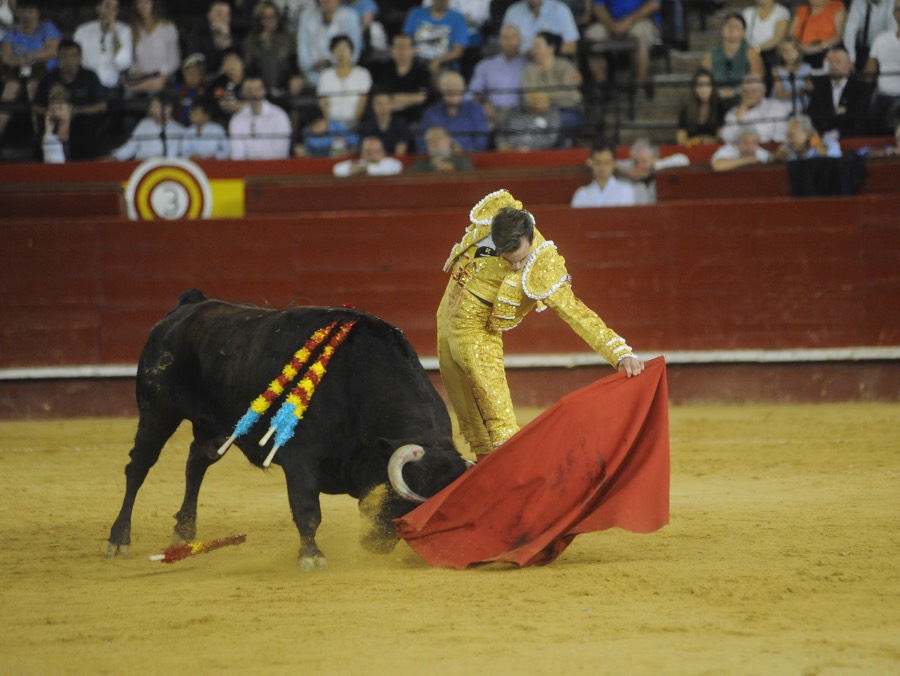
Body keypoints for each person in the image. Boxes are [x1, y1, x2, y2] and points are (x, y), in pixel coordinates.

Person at [437, 188, 643, 460]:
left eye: (521, 258)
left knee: (501, 428)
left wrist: (620, 353)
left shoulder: (542, 264)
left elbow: (576, 313)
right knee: (470, 420)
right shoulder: (490, 222)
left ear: (530, 238)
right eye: (509, 260)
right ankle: (488, 486)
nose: (515, 266)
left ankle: (514, 484)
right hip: (445, 325)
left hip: (478, 337)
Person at [31, 38, 108, 160]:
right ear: (58, 57)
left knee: (87, 132)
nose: (69, 60)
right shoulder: (49, 78)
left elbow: (101, 105)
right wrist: (53, 114)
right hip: (54, 122)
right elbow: (36, 106)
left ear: (80, 57)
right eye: (64, 56)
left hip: (82, 122)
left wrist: (76, 111)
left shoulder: (90, 77)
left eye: (73, 56)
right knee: (43, 134)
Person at [0, 0, 60, 138]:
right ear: (18, 12)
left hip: (43, 71)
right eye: (23, 11)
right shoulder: (12, 32)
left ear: (37, 12)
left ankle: (41, 135)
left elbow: (53, 50)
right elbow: (7, 57)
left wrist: (28, 56)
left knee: (33, 86)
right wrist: (20, 61)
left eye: (30, 11)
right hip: (18, 71)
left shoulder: (47, 27)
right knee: (10, 88)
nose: (27, 15)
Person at [585, 0, 661, 94]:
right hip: (610, 21)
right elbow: (598, 7)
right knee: (592, 36)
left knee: (640, 35)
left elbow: (654, 4)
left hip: (642, 20)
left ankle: (639, 86)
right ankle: (602, 86)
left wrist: (628, 21)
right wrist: (612, 25)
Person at [523, 30, 583, 145]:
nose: (533, 50)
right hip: (538, 113)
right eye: (533, 47)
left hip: (567, 111)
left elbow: (573, 96)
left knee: (556, 123)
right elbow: (527, 97)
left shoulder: (565, 65)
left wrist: (543, 97)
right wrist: (542, 99)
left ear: (551, 48)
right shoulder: (530, 70)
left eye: (537, 46)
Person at [701, 12, 765, 110]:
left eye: (736, 27)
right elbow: (703, 80)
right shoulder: (711, 55)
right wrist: (718, 92)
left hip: (744, 100)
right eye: (728, 25)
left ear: (744, 32)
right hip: (717, 100)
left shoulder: (751, 53)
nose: (731, 29)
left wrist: (737, 91)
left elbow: (757, 80)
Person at [242, 0, 304, 100]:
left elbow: (294, 62)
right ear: (260, 20)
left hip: (285, 84)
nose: (270, 21)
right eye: (265, 17)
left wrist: (296, 77)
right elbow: (250, 67)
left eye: (273, 17)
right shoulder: (251, 41)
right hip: (261, 86)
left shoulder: (288, 38)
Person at [468, 23, 526, 130]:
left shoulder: (529, 66)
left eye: (513, 37)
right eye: (505, 38)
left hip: (521, 115)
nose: (509, 42)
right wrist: (484, 103)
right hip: (491, 115)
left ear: (520, 40)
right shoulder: (485, 65)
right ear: (499, 40)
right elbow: (474, 92)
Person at [369, 32, 432, 126]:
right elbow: (379, 97)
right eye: (398, 47)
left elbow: (420, 97)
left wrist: (393, 100)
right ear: (391, 50)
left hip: (413, 119)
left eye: (405, 47)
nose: (401, 51)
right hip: (387, 119)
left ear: (413, 50)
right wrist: (409, 99)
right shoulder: (383, 70)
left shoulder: (422, 71)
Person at [418, 69, 489, 152]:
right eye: (447, 87)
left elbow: (481, 142)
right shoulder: (430, 113)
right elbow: (421, 144)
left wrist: (462, 151)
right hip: (437, 160)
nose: (452, 90)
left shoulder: (475, 109)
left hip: (470, 159)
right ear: (441, 91)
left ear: (463, 89)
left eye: (456, 86)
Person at [806, 47, 871, 136]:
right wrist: (836, 112)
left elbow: (859, 114)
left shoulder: (860, 86)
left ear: (849, 65)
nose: (834, 66)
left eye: (837, 62)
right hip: (823, 135)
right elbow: (813, 114)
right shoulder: (819, 85)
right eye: (831, 62)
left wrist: (831, 114)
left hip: (851, 135)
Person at [74, 0, 132, 96]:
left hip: (110, 85)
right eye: (107, 6)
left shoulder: (124, 31)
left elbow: (123, 64)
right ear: (98, 8)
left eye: (115, 8)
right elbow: (75, 59)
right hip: (85, 84)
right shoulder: (82, 30)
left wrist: (114, 34)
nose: (111, 11)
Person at [296, 0, 361, 87]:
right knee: (296, 84)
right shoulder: (307, 16)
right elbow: (303, 52)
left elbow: (354, 53)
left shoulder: (350, 16)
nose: (327, 1)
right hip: (313, 75)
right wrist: (311, 67)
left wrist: (330, 62)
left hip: (342, 74)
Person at [124, 0, 180, 96]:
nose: (142, 6)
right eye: (139, 3)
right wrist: (135, 70)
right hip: (141, 79)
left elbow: (175, 61)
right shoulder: (133, 30)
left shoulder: (168, 28)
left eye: (146, 2)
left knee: (157, 86)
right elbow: (132, 60)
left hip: (163, 79)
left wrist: (163, 76)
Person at [228, 74, 292, 159]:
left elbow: (281, 152)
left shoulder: (279, 116)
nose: (254, 94)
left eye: (257, 89)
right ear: (243, 93)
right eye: (249, 90)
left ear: (264, 91)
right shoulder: (237, 120)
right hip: (246, 170)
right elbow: (237, 156)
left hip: (273, 169)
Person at [316, 34, 371, 131]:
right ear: (332, 53)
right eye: (337, 49)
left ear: (351, 51)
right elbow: (323, 103)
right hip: (332, 125)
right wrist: (330, 125)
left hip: (356, 124)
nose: (341, 53)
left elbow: (363, 102)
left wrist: (354, 123)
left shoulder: (362, 74)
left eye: (345, 48)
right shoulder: (325, 75)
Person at [402, 0, 468, 81]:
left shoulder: (458, 18)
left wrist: (438, 60)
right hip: (416, 60)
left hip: (444, 63)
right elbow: (405, 41)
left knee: (437, 71)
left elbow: (457, 51)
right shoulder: (416, 13)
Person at [109, 91, 185, 159]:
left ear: (168, 108)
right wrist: (113, 158)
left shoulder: (179, 130)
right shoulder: (144, 124)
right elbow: (129, 148)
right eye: (152, 105)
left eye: (155, 106)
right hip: (141, 169)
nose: (151, 109)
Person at [720, 72, 791, 143]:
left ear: (763, 91)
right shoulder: (733, 112)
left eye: (754, 91)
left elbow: (780, 138)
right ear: (741, 93)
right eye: (745, 92)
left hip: (768, 150)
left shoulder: (777, 108)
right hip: (739, 150)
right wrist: (739, 115)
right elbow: (726, 137)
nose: (750, 95)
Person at [616, 137, 689, 204]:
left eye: (643, 161)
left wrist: (652, 170)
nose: (639, 165)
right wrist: (627, 171)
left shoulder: (661, 165)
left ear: (655, 158)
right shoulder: (631, 166)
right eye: (636, 162)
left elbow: (684, 160)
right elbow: (613, 164)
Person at [864, 3, 900, 133]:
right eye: (898, 9)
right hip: (880, 93)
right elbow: (869, 71)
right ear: (894, 13)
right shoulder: (881, 39)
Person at [183, 0, 243, 75]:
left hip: (229, 79)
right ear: (209, 16)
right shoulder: (198, 35)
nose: (224, 19)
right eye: (219, 14)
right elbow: (196, 62)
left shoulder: (235, 37)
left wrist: (226, 40)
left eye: (227, 15)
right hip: (206, 78)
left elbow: (238, 64)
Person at [501, 0, 580, 56]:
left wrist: (541, 52)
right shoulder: (513, 11)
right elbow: (504, 42)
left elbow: (572, 46)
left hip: (552, 64)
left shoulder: (560, 9)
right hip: (519, 64)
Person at [571, 141, 636, 206]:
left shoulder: (625, 190)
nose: (602, 167)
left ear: (614, 163)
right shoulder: (582, 193)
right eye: (597, 162)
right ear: (591, 163)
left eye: (606, 162)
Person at [495, 88, 561, 150]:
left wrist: (524, 148)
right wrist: (502, 145)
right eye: (534, 99)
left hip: (534, 153)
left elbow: (549, 139)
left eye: (541, 99)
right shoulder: (514, 113)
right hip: (509, 152)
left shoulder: (552, 114)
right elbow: (501, 133)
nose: (538, 102)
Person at [790, 0, 847, 70]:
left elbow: (839, 35)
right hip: (800, 52)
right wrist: (799, 46)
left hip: (824, 52)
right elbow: (791, 34)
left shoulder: (836, 7)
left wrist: (818, 47)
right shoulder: (802, 10)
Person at [844, 0, 898, 72]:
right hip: (862, 49)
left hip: (884, 49)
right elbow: (850, 30)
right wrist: (851, 59)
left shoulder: (892, 3)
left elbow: (892, 32)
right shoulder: (858, 2)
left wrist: (875, 56)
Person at [741, 0, 790, 79]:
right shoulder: (748, 12)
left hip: (771, 53)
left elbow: (778, 38)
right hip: (749, 51)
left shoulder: (781, 12)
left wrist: (757, 49)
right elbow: (741, 33)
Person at [676, 67, 725, 146]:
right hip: (691, 150)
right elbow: (681, 139)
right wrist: (697, 141)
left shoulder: (720, 106)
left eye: (708, 85)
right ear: (694, 88)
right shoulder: (686, 108)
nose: (704, 90)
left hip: (714, 150)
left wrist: (700, 140)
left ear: (713, 87)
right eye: (700, 85)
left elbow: (721, 138)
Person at [357, 88, 411, 156]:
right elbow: (364, 152)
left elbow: (400, 152)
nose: (383, 108)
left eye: (386, 103)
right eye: (379, 104)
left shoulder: (400, 123)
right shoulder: (366, 125)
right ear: (373, 106)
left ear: (392, 105)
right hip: (372, 161)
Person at [770, 37, 814, 113]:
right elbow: (780, 95)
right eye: (785, 51)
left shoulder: (807, 68)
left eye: (793, 50)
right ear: (780, 54)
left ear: (799, 51)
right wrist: (801, 89)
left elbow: (810, 88)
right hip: (779, 104)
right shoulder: (777, 70)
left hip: (799, 104)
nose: (789, 54)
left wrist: (808, 88)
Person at [772, 112, 842, 159]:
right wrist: (777, 158)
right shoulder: (789, 154)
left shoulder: (831, 145)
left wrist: (818, 144)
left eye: (792, 136)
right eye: (787, 136)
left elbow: (835, 163)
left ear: (808, 133)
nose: (789, 141)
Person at [408, 124, 474, 171]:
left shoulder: (462, 162)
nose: (434, 143)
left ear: (448, 140)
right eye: (430, 140)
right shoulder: (419, 166)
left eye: (438, 139)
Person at [332, 134, 403, 175]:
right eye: (369, 152)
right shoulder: (359, 163)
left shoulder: (391, 163)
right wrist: (362, 168)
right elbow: (337, 169)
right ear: (362, 153)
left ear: (383, 151)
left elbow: (391, 169)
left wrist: (363, 169)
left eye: (377, 151)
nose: (373, 155)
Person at [170, 52, 209, 126]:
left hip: (196, 126)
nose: (192, 76)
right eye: (189, 73)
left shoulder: (205, 91)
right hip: (175, 125)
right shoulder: (177, 89)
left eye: (195, 73)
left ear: (202, 75)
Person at [208, 47, 245, 124]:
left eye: (234, 61)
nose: (231, 66)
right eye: (227, 62)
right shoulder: (218, 82)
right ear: (223, 67)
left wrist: (242, 106)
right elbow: (221, 102)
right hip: (226, 122)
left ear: (242, 63)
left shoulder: (251, 79)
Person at [40, 85, 73, 163]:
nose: (57, 112)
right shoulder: (45, 131)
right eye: (53, 109)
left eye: (60, 108)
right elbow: (48, 159)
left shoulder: (80, 129)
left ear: (70, 108)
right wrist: (48, 132)